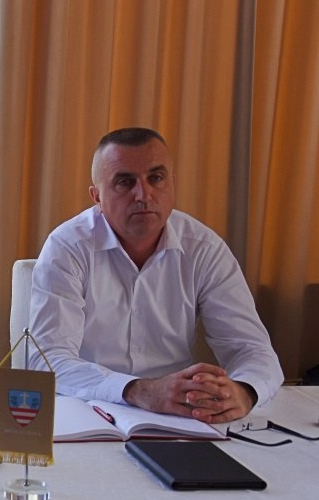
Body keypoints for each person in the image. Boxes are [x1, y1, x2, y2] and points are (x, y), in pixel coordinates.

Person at [29, 127, 283, 424]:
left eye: (156, 178)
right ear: (97, 196)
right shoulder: (68, 247)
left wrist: (244, 391)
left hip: (178, 415)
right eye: (124, 182)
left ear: (171, 183)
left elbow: (253, 349)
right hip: (86, 410)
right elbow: (47, 360)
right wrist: (139, 390)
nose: (144, 194)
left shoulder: (203, 248)